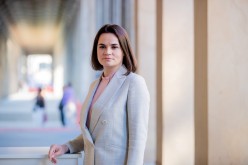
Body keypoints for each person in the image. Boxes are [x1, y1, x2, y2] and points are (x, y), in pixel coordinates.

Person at [48, 24, 150, 165]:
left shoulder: (134, 83)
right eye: (102, 46)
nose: (107, 51)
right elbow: (93, 134)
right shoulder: (94, 85)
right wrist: (67, 147)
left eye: (114, 47)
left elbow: (138, 139)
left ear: (124, 51)